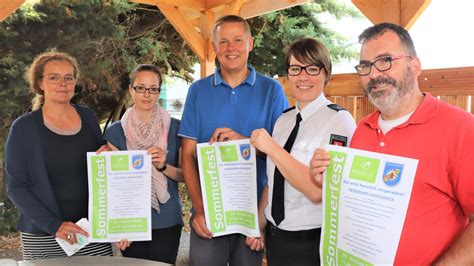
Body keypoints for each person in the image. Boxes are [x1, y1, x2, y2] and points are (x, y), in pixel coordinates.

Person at [310, 22, 474, 265]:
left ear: (415, 65)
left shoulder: (461, 128)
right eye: (365, 66)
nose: (374, 74)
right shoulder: (363, 129)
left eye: (385, 60)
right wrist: (328, 179)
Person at [178, 15, 288, 265]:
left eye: (238, 40)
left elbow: (281, 155)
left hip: (252, 214)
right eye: (223, 41)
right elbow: (187, 154)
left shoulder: (272, 91)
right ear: (214, 47)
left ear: (250, 43)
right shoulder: (198, 91)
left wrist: (245, 142)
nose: (231, 48)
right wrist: (199, 209)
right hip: (210, 213)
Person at [248, 38, 356, 266]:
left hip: (310, 244)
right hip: (276, 239)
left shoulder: (340, 121)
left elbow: (319, 192)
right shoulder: (283, 120)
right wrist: (258, 225)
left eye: (312, 69)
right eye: (295, 69)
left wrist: (272, 148)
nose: (303, 77)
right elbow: (273, 180)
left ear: (326, 74)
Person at [4, 51, 113, 259]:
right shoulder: (24, 128)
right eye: (54, 77)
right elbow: (15, 186)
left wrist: (108, 154)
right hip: (45, 234)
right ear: (40, 83)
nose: (62, 83)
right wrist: (54, 226)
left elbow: (102, 166)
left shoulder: (88, 117)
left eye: (68, 77)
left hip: (90, 232)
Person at [104, 64, 184, 264]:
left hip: (167, 218)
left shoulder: (175, 127)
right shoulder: (115, 132)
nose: (146, 94)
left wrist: (163, 166)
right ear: (131, 90)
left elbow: (185, 175)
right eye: (140, 87)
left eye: (153, 88)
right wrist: (119, 226)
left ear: (159, 91)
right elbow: (114, 186)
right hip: (131, 222)